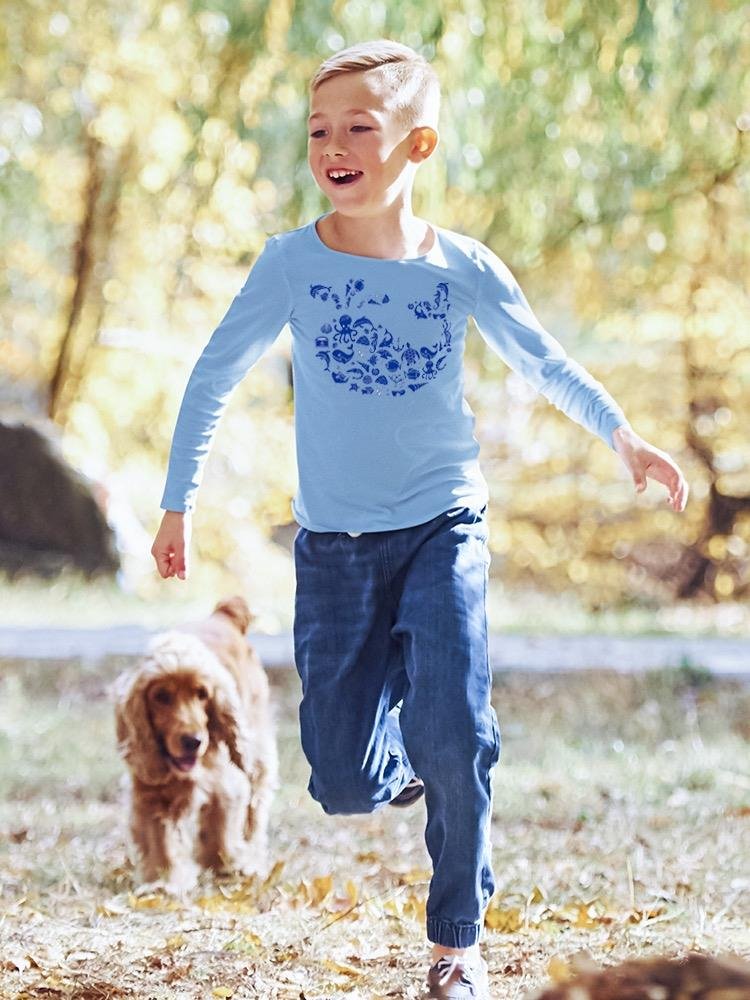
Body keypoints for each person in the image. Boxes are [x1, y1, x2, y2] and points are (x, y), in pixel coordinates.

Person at [151, 39, 688, 1000]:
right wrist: (176, 500)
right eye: (320, 129)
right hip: (335, 552)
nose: (335, 145)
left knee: (457, 730)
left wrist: (625, 438)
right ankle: (419, 753)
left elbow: (545, 361)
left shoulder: (463, 267)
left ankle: (456, 945)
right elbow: (212, 377)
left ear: (418, 144)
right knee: (342, 781)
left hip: (445, 525)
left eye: (361, 126)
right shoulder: (291, 266)